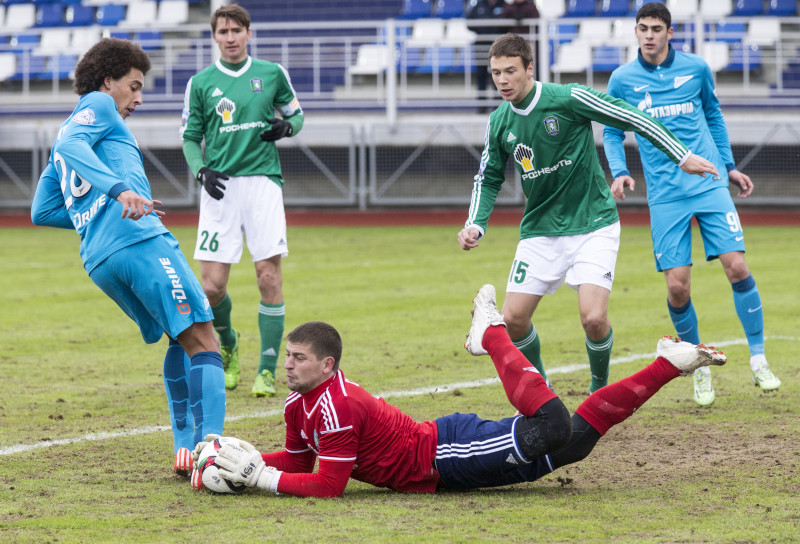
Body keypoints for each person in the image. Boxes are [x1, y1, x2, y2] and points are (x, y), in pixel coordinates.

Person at [189, 284, 726, 497]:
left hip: (445, 457)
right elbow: (302, 458)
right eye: (287, 356)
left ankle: (490, 333)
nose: (288, 365)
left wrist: (258, 479)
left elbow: (328, 484)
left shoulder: (337, 403)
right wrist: (233, 455)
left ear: (327, 365)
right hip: (442, 457)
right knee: (575, 443)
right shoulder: (298, 403)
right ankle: (667, 364)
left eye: (298, 359)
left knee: (554, 428)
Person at [457, 33, 718, 393]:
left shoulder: (568, 98)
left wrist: (682, 155)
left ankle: (599, 391)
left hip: (594, 223)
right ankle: (543, 388)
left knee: (594, 318)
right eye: (496, 72)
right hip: (540, 230)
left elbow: (631, 116)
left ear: (529, 69)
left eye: (510, 71)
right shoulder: (500, 121)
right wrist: (476, 225)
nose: (502, 80)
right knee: (514, 320)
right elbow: (487, 178)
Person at [30, 38, 226, 476]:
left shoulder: (65, 132)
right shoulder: (98, 106)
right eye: (134, 86)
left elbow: (41, 211)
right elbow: (72, 148)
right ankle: (212, 451)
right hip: (138, 242)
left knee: (180, 337)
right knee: (205, 340)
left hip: (99, 259)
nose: (138, 97)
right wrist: (118, 191)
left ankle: (185, 447)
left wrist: (94, 214)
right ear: (107, 82)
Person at [602, 3, 781, 406]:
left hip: (710, 182)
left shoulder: (696, 68)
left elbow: (713, 115)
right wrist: (619, 170)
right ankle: (699, 366)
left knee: (737, 266)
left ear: (669, 32)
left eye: (656, 29)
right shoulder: (622, 80)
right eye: (642, 29)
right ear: (635, 32)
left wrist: (730, 166)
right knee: (677, 286)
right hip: (665, 195)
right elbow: (612, 131)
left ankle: (759, 359)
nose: (648, 35)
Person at [180, 4, 304, 398]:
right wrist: (201, 170)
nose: (230, 37)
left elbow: (297, 116)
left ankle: (267, 369)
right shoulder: (200, 83)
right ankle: (228, 345)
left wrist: (287, 126)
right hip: (220, 187)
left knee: (268, 276)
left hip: (263, 184)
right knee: (212, 287)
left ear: (249, 33)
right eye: (223, 31)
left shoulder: (271, 73)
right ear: (214, 37)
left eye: (237, 30)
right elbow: (189, 137)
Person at [467, 0, 504, 111]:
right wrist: (483, 28)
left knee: (498, 75)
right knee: (481, 75)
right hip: (481, 45)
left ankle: (497, 106)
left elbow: (506, 24)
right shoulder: (479, 5)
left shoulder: (502, 5)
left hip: (498, 46)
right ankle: (481, 106)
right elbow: (469, 23)